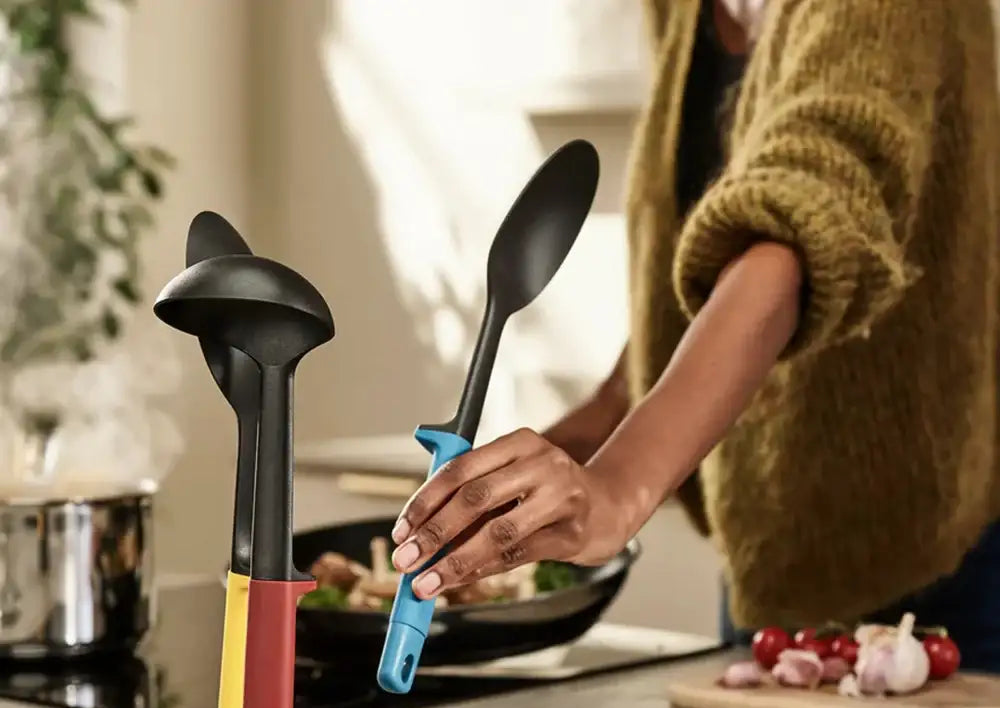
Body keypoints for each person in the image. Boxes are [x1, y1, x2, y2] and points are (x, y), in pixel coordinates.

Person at [389, 0, 1000, 668]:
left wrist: (620, 485)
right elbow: (714, 254)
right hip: (766, 547)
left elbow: (805, 212)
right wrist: (604, 416)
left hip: (932, 555)